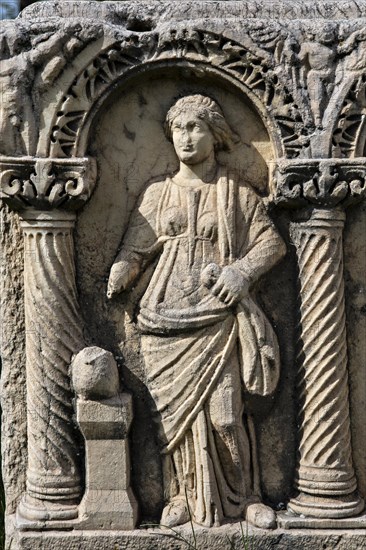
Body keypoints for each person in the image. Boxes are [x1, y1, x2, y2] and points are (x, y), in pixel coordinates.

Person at [107, 94, 286, 529]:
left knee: (226, 414)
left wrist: (241, 273)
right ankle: (181, 496)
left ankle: (246, 498)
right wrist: (122, 270)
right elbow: (135, 250)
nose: (185, 138)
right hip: (163, 318)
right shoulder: (157, 193)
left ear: (214, 133)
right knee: (169, 418)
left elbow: (272, 244)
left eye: (194, 128)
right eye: (178, 130)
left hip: (216, 316)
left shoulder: (236, 193)